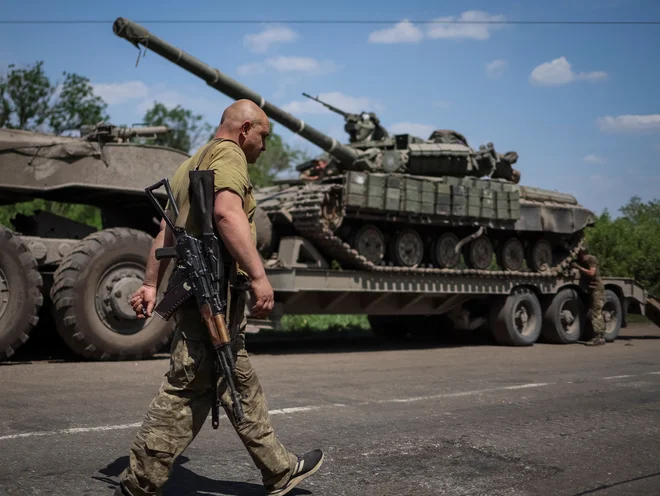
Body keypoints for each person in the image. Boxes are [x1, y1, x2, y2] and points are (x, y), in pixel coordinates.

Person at [114, 100, 324, 496]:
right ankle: (137, 485)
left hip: (206, 294)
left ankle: (279, 470)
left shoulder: (189, 162)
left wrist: (149, 283)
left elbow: (166, 231)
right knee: (188, 388)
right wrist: (260, 275)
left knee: (235, 378)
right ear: (245, 129)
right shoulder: (229, 155)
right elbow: (227, 213)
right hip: (213, 296)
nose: (264, 145)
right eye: (263, 135)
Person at [573, 246, 606, 346]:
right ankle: (598, 335)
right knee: (593, 311)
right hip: (591, 287)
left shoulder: (591, 259)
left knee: (596, 311)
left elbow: (592, 273)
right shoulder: (582, 260)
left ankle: (598, 337)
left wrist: (578, 267)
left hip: (597, 287)